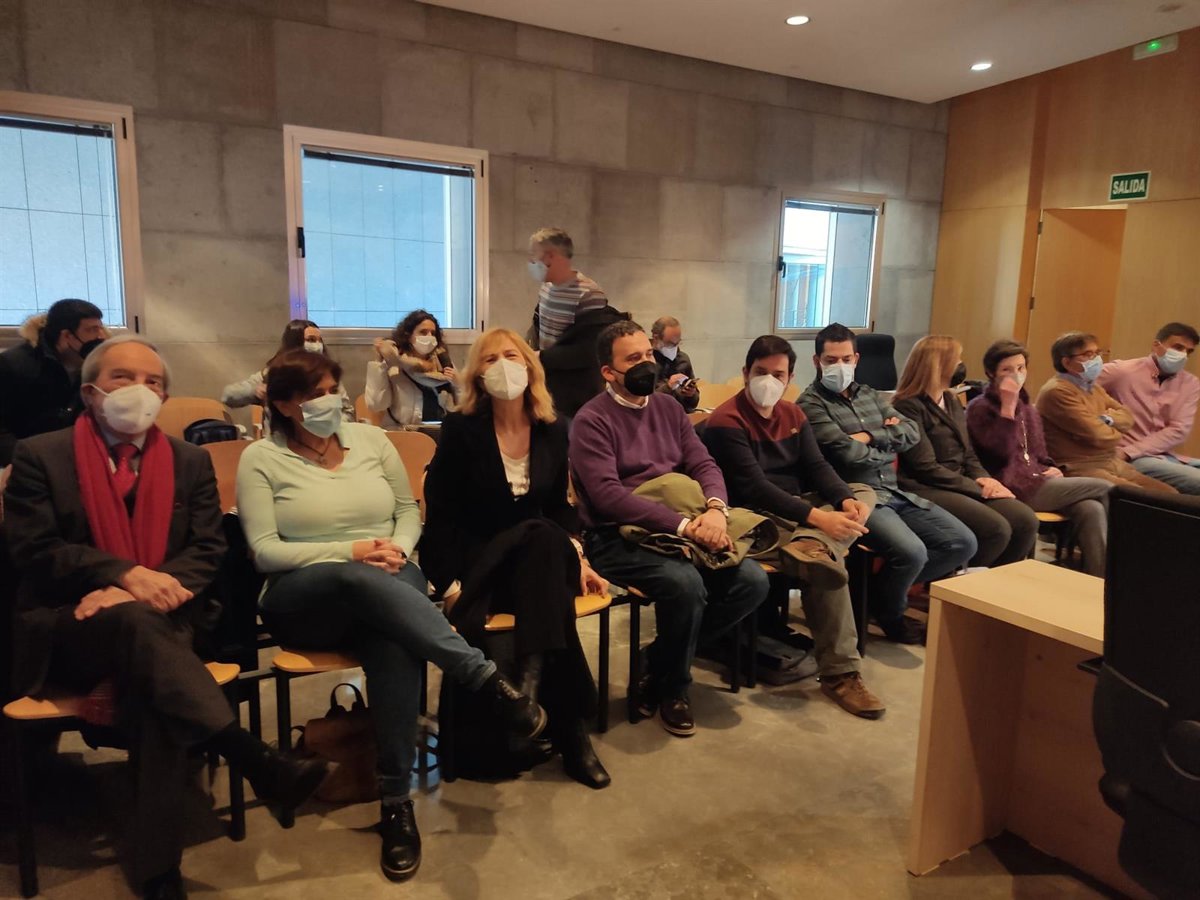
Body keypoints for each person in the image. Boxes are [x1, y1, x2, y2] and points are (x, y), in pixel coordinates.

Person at [4, 335, 327, 900]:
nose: (140, 389)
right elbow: (35, 550)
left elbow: (207, 549)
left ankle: (159, 872)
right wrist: (124, 577)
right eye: (123, 378)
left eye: (153, 382)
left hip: (164, 619)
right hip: (68, 626)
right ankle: (252, 759)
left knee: (156, 682)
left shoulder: (188, 460)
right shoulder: (40, 456)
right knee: (144, 638)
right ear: (90, 392)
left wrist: (143, 593)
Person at [235, 349, 544, 883]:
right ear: (283, 404)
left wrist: (397, 548)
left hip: (389, 577)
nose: (328, 401)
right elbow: (265, 551)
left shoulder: (372, 442)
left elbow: (406, 510)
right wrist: (352, 552)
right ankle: (481, 676)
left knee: (394, 640)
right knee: (358, 579)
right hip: (303, 596)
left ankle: (396, 802)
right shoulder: (261, 458)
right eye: (312, 395)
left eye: (332, 389)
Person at [421, 328, 611, 788]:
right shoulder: (461, 430)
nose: (503, 365)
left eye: (511, 355)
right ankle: (570, 731)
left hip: (535, 566)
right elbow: (441, 515)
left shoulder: (554, 428)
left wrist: (580, 558)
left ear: (529, 366)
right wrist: (449, 586)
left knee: (543, 537)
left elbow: (559, 508)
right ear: (476, 375)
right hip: (480, 560)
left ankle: (524, 697)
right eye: (490, 359)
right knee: (541, 541)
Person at [569, 320, 769, 737]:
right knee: (685, 585)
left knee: (751, 582)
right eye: (633, 359)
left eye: (648, 354)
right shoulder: (591, 420)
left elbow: (703, 463)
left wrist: (716, 510)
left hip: (681, 524)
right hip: (615, 534)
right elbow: (608, 497)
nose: (647, 364)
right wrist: (685, 526)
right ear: (608, 371)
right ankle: (675, 689)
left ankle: (657, 662)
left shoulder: (668, 408)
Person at [701, 335, 884, 718]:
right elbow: (754, 487)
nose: (768, 381)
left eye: (778, 374)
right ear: (745, 373)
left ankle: (813, 544)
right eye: (760, 372)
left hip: (798, 508)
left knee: (863, 491)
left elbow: (817, 467)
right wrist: (819, 519)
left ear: (790, 379)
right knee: (826, 567)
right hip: (754, 516)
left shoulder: (793, 415)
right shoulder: (725, 421)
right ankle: (841, 674)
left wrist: (842, 500)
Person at [799, 324, 977, 645]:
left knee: (962, 543)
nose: (840, 366)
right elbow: (846, 454)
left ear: (856, 359)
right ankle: (892, 615)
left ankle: (876, 597)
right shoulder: (810, 404)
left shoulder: (869, 394)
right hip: (856, 496)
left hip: (894, 490)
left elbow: (910, 433)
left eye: (846, 359)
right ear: (817, 361)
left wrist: (869, 436)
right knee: (912, 553)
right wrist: (887, 441)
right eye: (831, 360)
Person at [967, 339, 1112, 577]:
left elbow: (1038, 452)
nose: (1016, 374)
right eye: (1007, 369)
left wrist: (1051, 467)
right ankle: (1122, 565)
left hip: (1037, 478)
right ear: (991, 373)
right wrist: (1007, 410)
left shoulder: (1027, 407)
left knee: (1091, 508)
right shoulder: (979, 407)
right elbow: (998, 454)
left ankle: (1100, 579)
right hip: (1009, 484)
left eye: (1020, 368)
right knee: (1106, 488)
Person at [893, 336, 1039, 568]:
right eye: (956, 360)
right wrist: (977, 488)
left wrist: (986, 479)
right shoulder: (908, 406)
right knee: (996, 529)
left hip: (959, 481)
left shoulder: (950, 399)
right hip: (926, 486)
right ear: (937, 365)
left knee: (1025, 520)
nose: (961, 365)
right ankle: (962, 580)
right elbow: (925, 467)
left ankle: (996, 578)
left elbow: (968, 452)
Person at [1035, 331, 1176, 493]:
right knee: (1144, 499)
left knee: (1170, 494)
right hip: (1078, 465)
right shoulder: (1057, 391)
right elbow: (1098, 436)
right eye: (1088, 354)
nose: (1096, 359)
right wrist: (1116, 430)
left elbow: (1128, 417)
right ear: (1067, 362)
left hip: (1110, 461)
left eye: (1097, 353)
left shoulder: (1092, 387)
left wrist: (1106, 419)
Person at [1097, 321, 1200, 495]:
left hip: (1164, 456)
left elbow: (1179, 429)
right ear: (1156, 345)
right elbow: (1071, 387)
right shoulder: (1123, 371)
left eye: (1189, 351)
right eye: (1178, 347)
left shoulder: (1190, 383)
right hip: (1129, 457)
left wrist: (1130, 452)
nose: (1183, 355)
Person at [0, 298, 105, 466]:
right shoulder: (13, 365)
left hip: (75, 456)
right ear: (67, 336)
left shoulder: (96, 365)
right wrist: (22, 462)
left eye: (100, 328)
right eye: (92, 330)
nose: (101, 336)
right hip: (26, 459)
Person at [220, 319, 353, 431]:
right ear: (295, 342)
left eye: (319, 340)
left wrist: (332, 426)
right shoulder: (273, 374)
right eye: (311, 340)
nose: (317, 345)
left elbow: (347, 412)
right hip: (282, 443)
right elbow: (228, 395)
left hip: (325, 438)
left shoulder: (328, 377)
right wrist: (255, 391)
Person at [366, 309, 458, 430]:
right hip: (402, 433)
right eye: (423, 332)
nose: (429, 337)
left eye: (433, 333)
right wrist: (379, 363)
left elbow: (463, 404)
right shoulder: (394, 366)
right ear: (408, 336)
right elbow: (376, 404)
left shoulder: (443, 363)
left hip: (440, 432)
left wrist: (458, 382)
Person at [526, 227, 608, 351]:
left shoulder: (589, 294)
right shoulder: (546, 288)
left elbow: (588, 347)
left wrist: (544, 357)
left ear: (550, 256)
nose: (530, 260)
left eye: (534, 253)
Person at [650, 316, 700, 412]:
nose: (675, 347)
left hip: (681, 414)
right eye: (670, 344)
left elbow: (693, 404)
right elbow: (645, 401)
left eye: (678, 343)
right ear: (656, 338)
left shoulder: (683, 359)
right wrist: (668, 387)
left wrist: (691, 394)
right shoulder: (646, 361)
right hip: (657, 414)